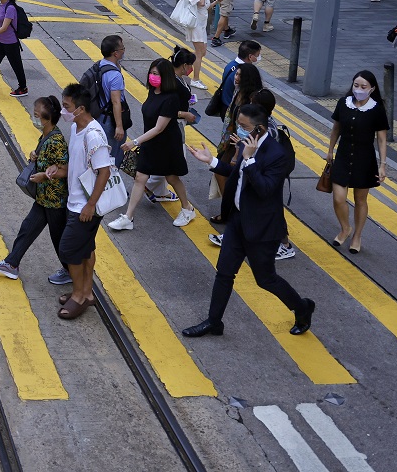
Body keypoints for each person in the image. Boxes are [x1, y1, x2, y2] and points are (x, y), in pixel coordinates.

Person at [181, 104, 314, 338]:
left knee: (266, 279)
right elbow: (237, 175)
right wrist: (212, 161)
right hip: (238, 221)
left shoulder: (277, 154)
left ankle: (302, 307)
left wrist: (250, 160)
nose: (239, 131)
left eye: (244, 127)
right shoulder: (245, 145)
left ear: (260, 129)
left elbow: (265, 189)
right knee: (224, 272)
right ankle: (214, 322)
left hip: (262, 229)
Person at [108, 58, 197, 230]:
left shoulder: (170, 98)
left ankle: (187, 208)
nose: (152, 76)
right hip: (151, 143)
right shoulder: (153, 92)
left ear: (165, 76)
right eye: (151, 72)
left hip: (167, 144)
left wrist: (134, 142)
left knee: (172, 177)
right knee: (140, 177)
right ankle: (128, 217)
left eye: (156, 73)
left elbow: (159, 128)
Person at [0, 95, 69, 282]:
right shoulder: (47, 135)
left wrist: (43, 175)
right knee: (27, 228)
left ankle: (71, 270)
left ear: (47, 119)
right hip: (44, 198)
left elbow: (64, 170)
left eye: (36, 115)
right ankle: (12, 263)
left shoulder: (56, 141)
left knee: (59, 239)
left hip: (54, 200)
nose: (33, 118)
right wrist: (36, 156)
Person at [54, 82, 112, 320]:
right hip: (75, 201)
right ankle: (86, 293)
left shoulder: (94, 135)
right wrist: (59, 171)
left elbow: (104, 172)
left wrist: (90, 205)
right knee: (86, 249)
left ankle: (79, 296)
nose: (63, 111)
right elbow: (79, 164)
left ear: (80, 108)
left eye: (66, 106)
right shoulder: (76, 129)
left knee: (68, 249)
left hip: (85, 206)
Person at [324, 70, 389, 254]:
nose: (358, 89)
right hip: (343, 156)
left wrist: (383, 164)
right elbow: (336, 128)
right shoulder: (343, 103)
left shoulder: (376, 109)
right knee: (338, 198)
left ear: (372, 89)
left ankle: (357, 236)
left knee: (360, 200)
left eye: (363, 87)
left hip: (364, 159)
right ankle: (346, 228)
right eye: (356, 85)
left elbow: (382, 139)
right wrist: (330, 150)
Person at [208, 62, 263, 235]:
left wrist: (242, 143)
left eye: (240, 76)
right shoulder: (238, 92)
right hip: (230, 141)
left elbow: (256, 126)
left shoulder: (252, 98)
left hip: (241, 143)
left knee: (224, 173)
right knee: (223, 173)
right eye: (236, 74)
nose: (236, 78)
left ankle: (232, 212)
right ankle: (231, 210)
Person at [180, 0, 213, 86]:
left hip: (201, 25)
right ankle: (195, 79)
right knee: (199, 53)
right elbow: (201, 3)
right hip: (195, 25)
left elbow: (206, 7)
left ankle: (183, 62)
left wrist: (216, 2)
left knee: (203, 52)